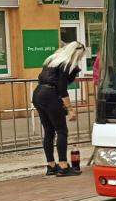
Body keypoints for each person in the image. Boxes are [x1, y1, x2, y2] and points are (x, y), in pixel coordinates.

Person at [33, 41, 86, 177]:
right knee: (62, 130)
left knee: (49, 131)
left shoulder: (52, 59)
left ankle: (51, 166)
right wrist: (70, 108)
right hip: (51, 95)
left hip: (38, 93)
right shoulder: (67, 64)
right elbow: (62, 88)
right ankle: (63, 166)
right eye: (80, 56)